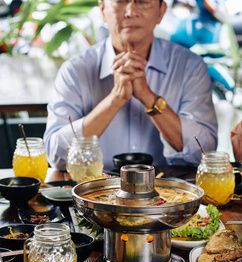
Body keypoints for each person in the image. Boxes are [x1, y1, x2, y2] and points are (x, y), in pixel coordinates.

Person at [43, 0, 218, 171]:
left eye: (142, 1)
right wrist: (115, 99)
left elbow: (205, 153)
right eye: (120, 1)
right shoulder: (75, 70)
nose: (131, 11)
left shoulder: (190, 66)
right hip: (94, 193)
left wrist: (149, 98)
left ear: (161, 11)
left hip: (170, 194)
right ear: (103, 9)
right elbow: (56, 156)